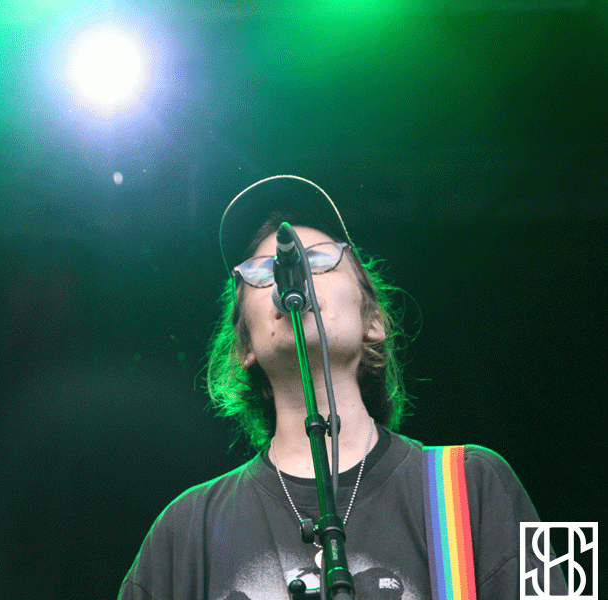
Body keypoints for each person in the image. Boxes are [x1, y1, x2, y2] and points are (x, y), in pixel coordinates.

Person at [117, 175, 566, 600]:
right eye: (261, 271)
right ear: (244, 347)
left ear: (374, 321)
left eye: (318, 260)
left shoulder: (475, 485)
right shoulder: (184, 533)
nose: (289, 271)